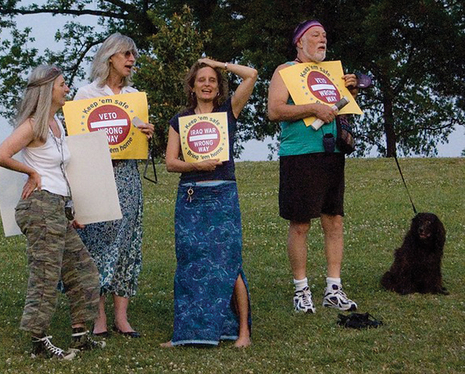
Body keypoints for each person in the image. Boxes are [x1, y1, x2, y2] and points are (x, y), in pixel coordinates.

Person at [0, 65, 105, 359]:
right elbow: (0, 155)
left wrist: (70, 211)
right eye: (63, 85)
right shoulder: (33, 125)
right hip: (40, 207)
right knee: (45, 275)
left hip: (56, 209)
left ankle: (80, 335)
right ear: (47, 90)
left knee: (84, 270)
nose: (68, 89)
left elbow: (60, 172)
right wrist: (30, 172)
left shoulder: (57, 124)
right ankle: (38, 342)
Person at [162, 58, 257, 348]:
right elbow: (170, 162)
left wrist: (216, 64)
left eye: (212, 80)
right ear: (192, 86)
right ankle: (188, 332)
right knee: (190, 264)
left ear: (218, 88)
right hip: (191, 195)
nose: (206, 84)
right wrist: (196, 166)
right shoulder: (180, 120)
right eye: (201, 79)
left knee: (229, 262)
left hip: (223, 194)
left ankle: (242, 332)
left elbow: (252, 75)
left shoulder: (229, 111)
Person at [267, 20, 360, 314]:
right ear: (299, 42)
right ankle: (301, 290)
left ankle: (334, 288)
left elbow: (340, 110)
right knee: (301, 223)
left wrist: (351, 93)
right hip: (299, 154)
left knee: (334, 220)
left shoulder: (329, 72)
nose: (322, 40)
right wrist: (311, 108)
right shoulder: (285, 71)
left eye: (324, 35)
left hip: (331, 151)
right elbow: (274, 110)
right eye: (315, 35)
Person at [74, 33, 154, 338]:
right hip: (96, 176)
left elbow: (134, 140)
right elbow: (77, 138)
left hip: (128, 176)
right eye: (126, 55)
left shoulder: (134, 96)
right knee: (96, 242)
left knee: (128, 242)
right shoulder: (85, 94)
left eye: (133, 55)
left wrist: (145, 131)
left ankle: (122, 317)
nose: (132, 60)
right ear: (110, 58)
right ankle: (99, 317)